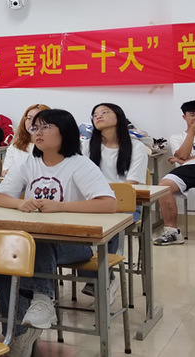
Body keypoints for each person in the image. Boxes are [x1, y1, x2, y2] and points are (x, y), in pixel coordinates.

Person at [0, 108, 116, 357]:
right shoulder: (30, 163)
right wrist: (19, 203)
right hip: (36, 242)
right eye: (35, 127)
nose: (38, 132)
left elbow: (108, 204)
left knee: (37, 241)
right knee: (5, 269)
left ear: (65, 132)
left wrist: (61, 206)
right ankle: (19, 336)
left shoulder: (79, 164)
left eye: (46, 127)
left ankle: (43, 299)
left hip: (76, 243)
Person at [79, 102, 147, 298]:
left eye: (104, 112)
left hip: (125, 206)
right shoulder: (86, 146)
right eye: (95, 114)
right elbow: (81, 179)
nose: (98, 116)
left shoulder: (136, 147)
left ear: (119, 116)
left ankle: (101, 277)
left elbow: (131, 185)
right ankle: (97, 275)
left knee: (111, 224)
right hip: (93, 203)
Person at [153, 100, 195, 246]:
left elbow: (181, 158)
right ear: (184, 117)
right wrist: (192, 131)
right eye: (192, 114)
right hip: (188, 168)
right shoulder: (177, 137)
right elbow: (182, 155)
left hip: (186, 164)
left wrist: (183, 160)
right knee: (163, 187)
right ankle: (172, 232)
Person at [2, 104, 50, 176]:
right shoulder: (15, 146)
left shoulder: (52, 146)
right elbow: (5, 173)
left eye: (37, 118)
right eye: (29, 118)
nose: (32, 122)